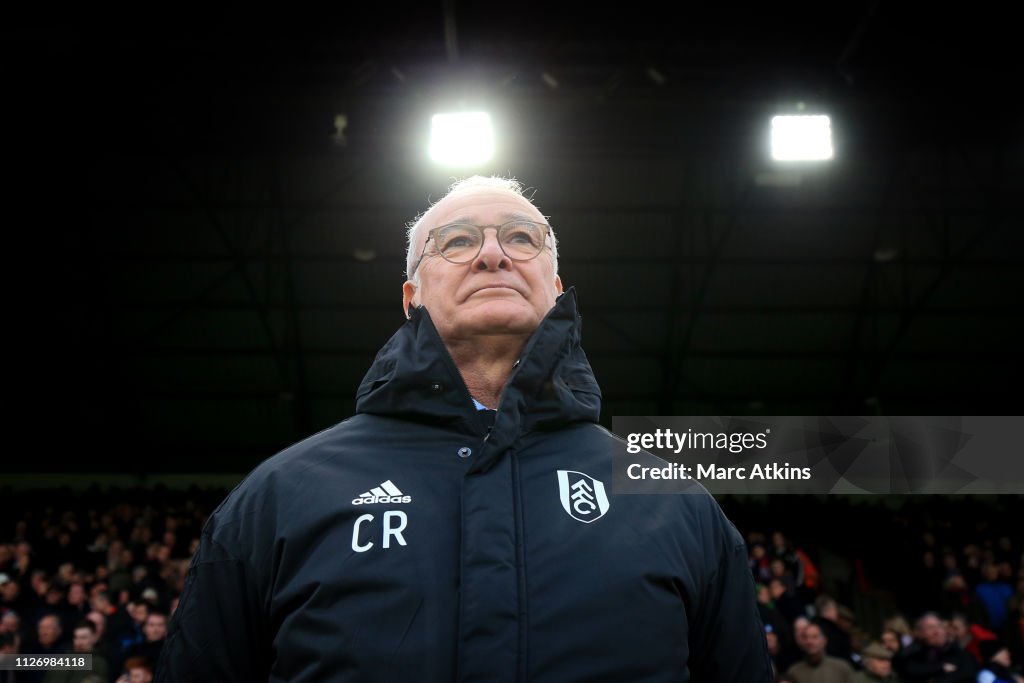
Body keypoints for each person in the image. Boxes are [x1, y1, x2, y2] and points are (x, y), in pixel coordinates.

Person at [156, 175, 772, 682]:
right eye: (455, 242)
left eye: (522, 237)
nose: (493, 253)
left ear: (555, 289)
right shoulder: (279, 495)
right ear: (411, 295)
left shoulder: (673, 500)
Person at [894, 612, 977, 683]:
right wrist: (941, 668)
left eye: (940, 626)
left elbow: (968, 673)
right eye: (930, 628)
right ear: (920, 633)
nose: (937, 632)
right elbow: (909, 670)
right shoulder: (913, 654)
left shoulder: (958, 652)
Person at [784, 621, 857, 683]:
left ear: (824, 641)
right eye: (806, 637)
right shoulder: (794, 672)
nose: (809, 641)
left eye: (814, 637)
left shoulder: (841, 668)